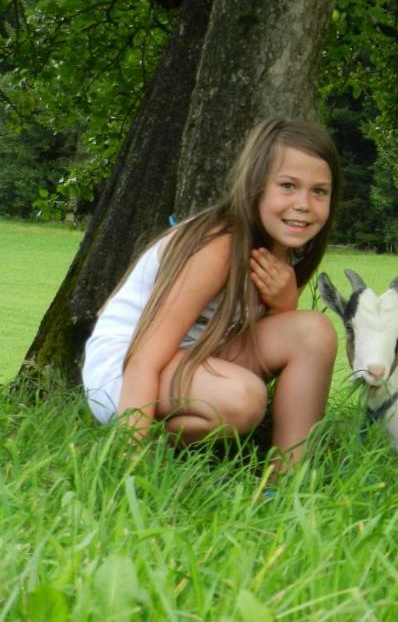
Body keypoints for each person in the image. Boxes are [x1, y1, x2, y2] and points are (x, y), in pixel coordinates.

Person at [82, 118, 341, 471]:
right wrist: (131, 462)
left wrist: (284, 306)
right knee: (242, 398)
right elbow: (145, 356)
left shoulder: (286, 248)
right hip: (126, 368)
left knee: (314, 331)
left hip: (195, 359)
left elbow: (274, 340)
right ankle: (136, 448)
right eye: (288, 186)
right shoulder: (220, 244)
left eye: (319, 191)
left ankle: (288, 482)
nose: (304, 204)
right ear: (256, 186)